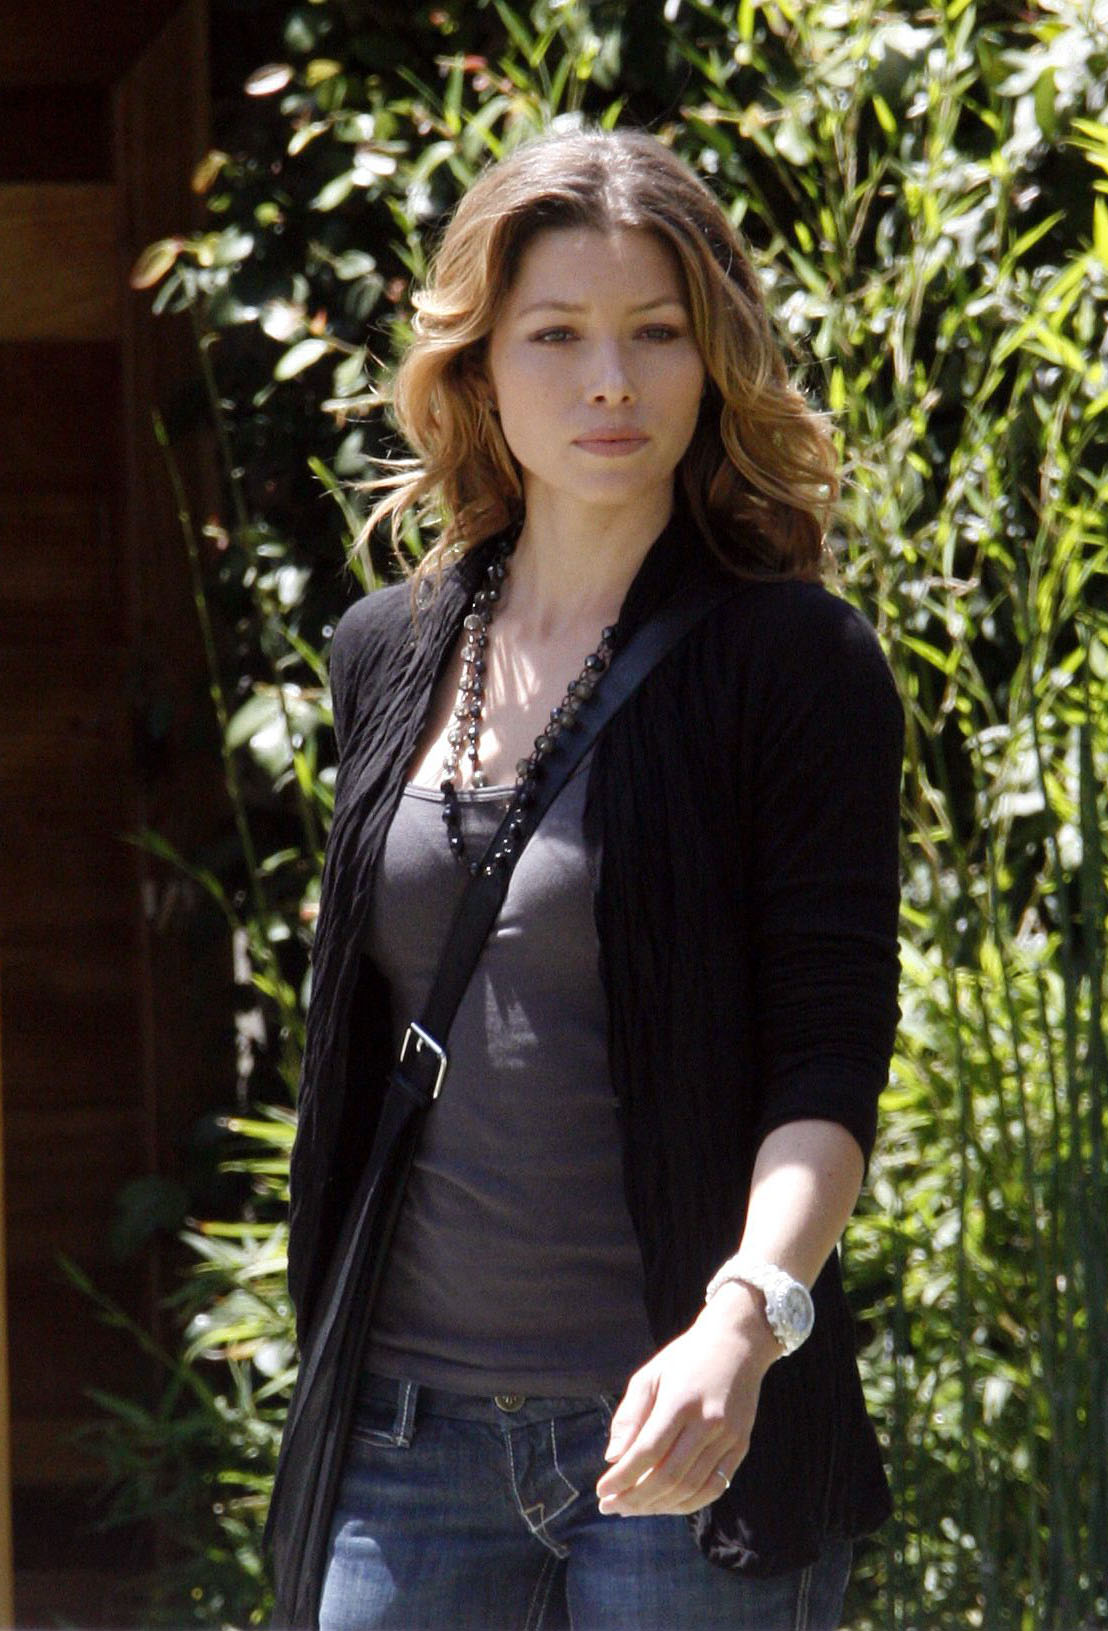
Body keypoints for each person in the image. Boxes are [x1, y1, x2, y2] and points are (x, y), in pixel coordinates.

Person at [272, 126, 903, 1631]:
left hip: (684, 1429)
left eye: (657, 333)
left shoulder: (795, 662)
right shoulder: (385, 649)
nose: (610, 382)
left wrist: (745, 1322)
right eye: (556, 335)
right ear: (478, 367)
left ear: (714, 360)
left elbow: (828, 1056)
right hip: (404, 1434)